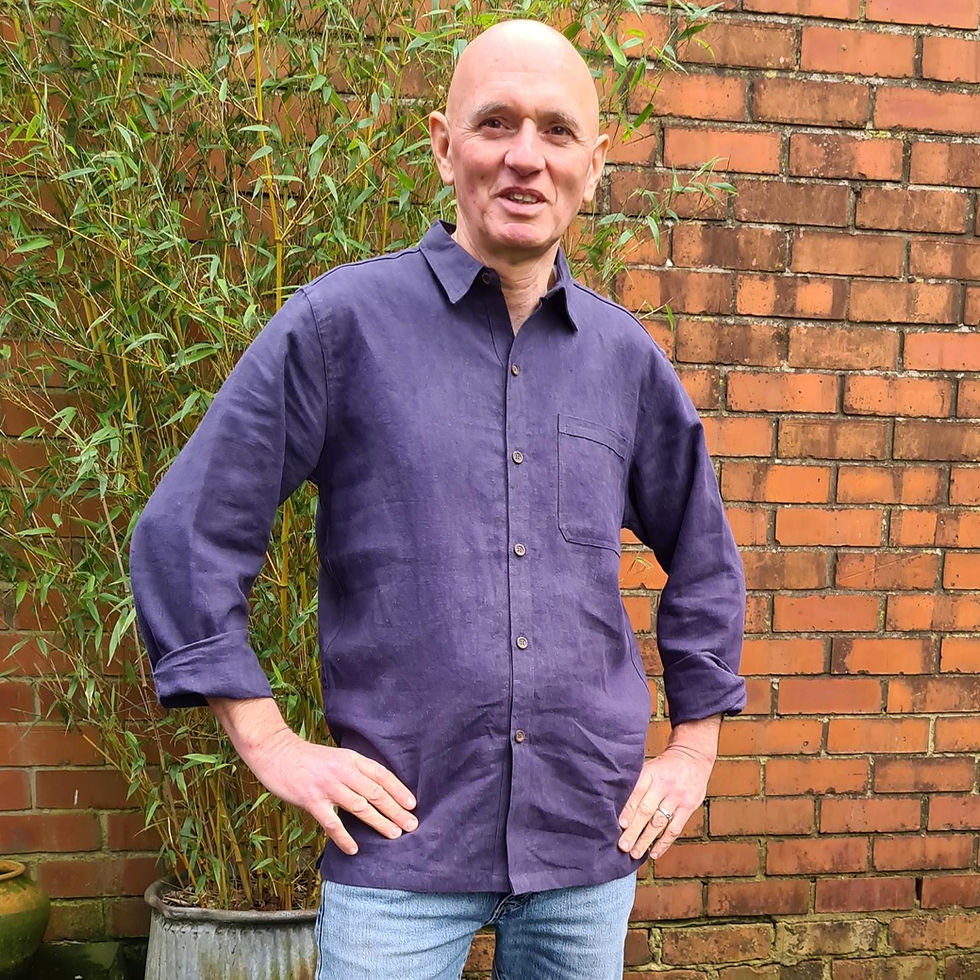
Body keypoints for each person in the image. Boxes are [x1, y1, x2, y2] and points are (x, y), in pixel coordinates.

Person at [130, 18, 745, 980]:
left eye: (555, 130)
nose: (524, 158)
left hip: (587, 847)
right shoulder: (339, 329)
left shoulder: (626, 362)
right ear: (441, 142)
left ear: (597, 156)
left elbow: (704, 556)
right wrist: (268, 739)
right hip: (399, 855)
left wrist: (692, 755)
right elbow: (187, 530)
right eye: (495, 123)